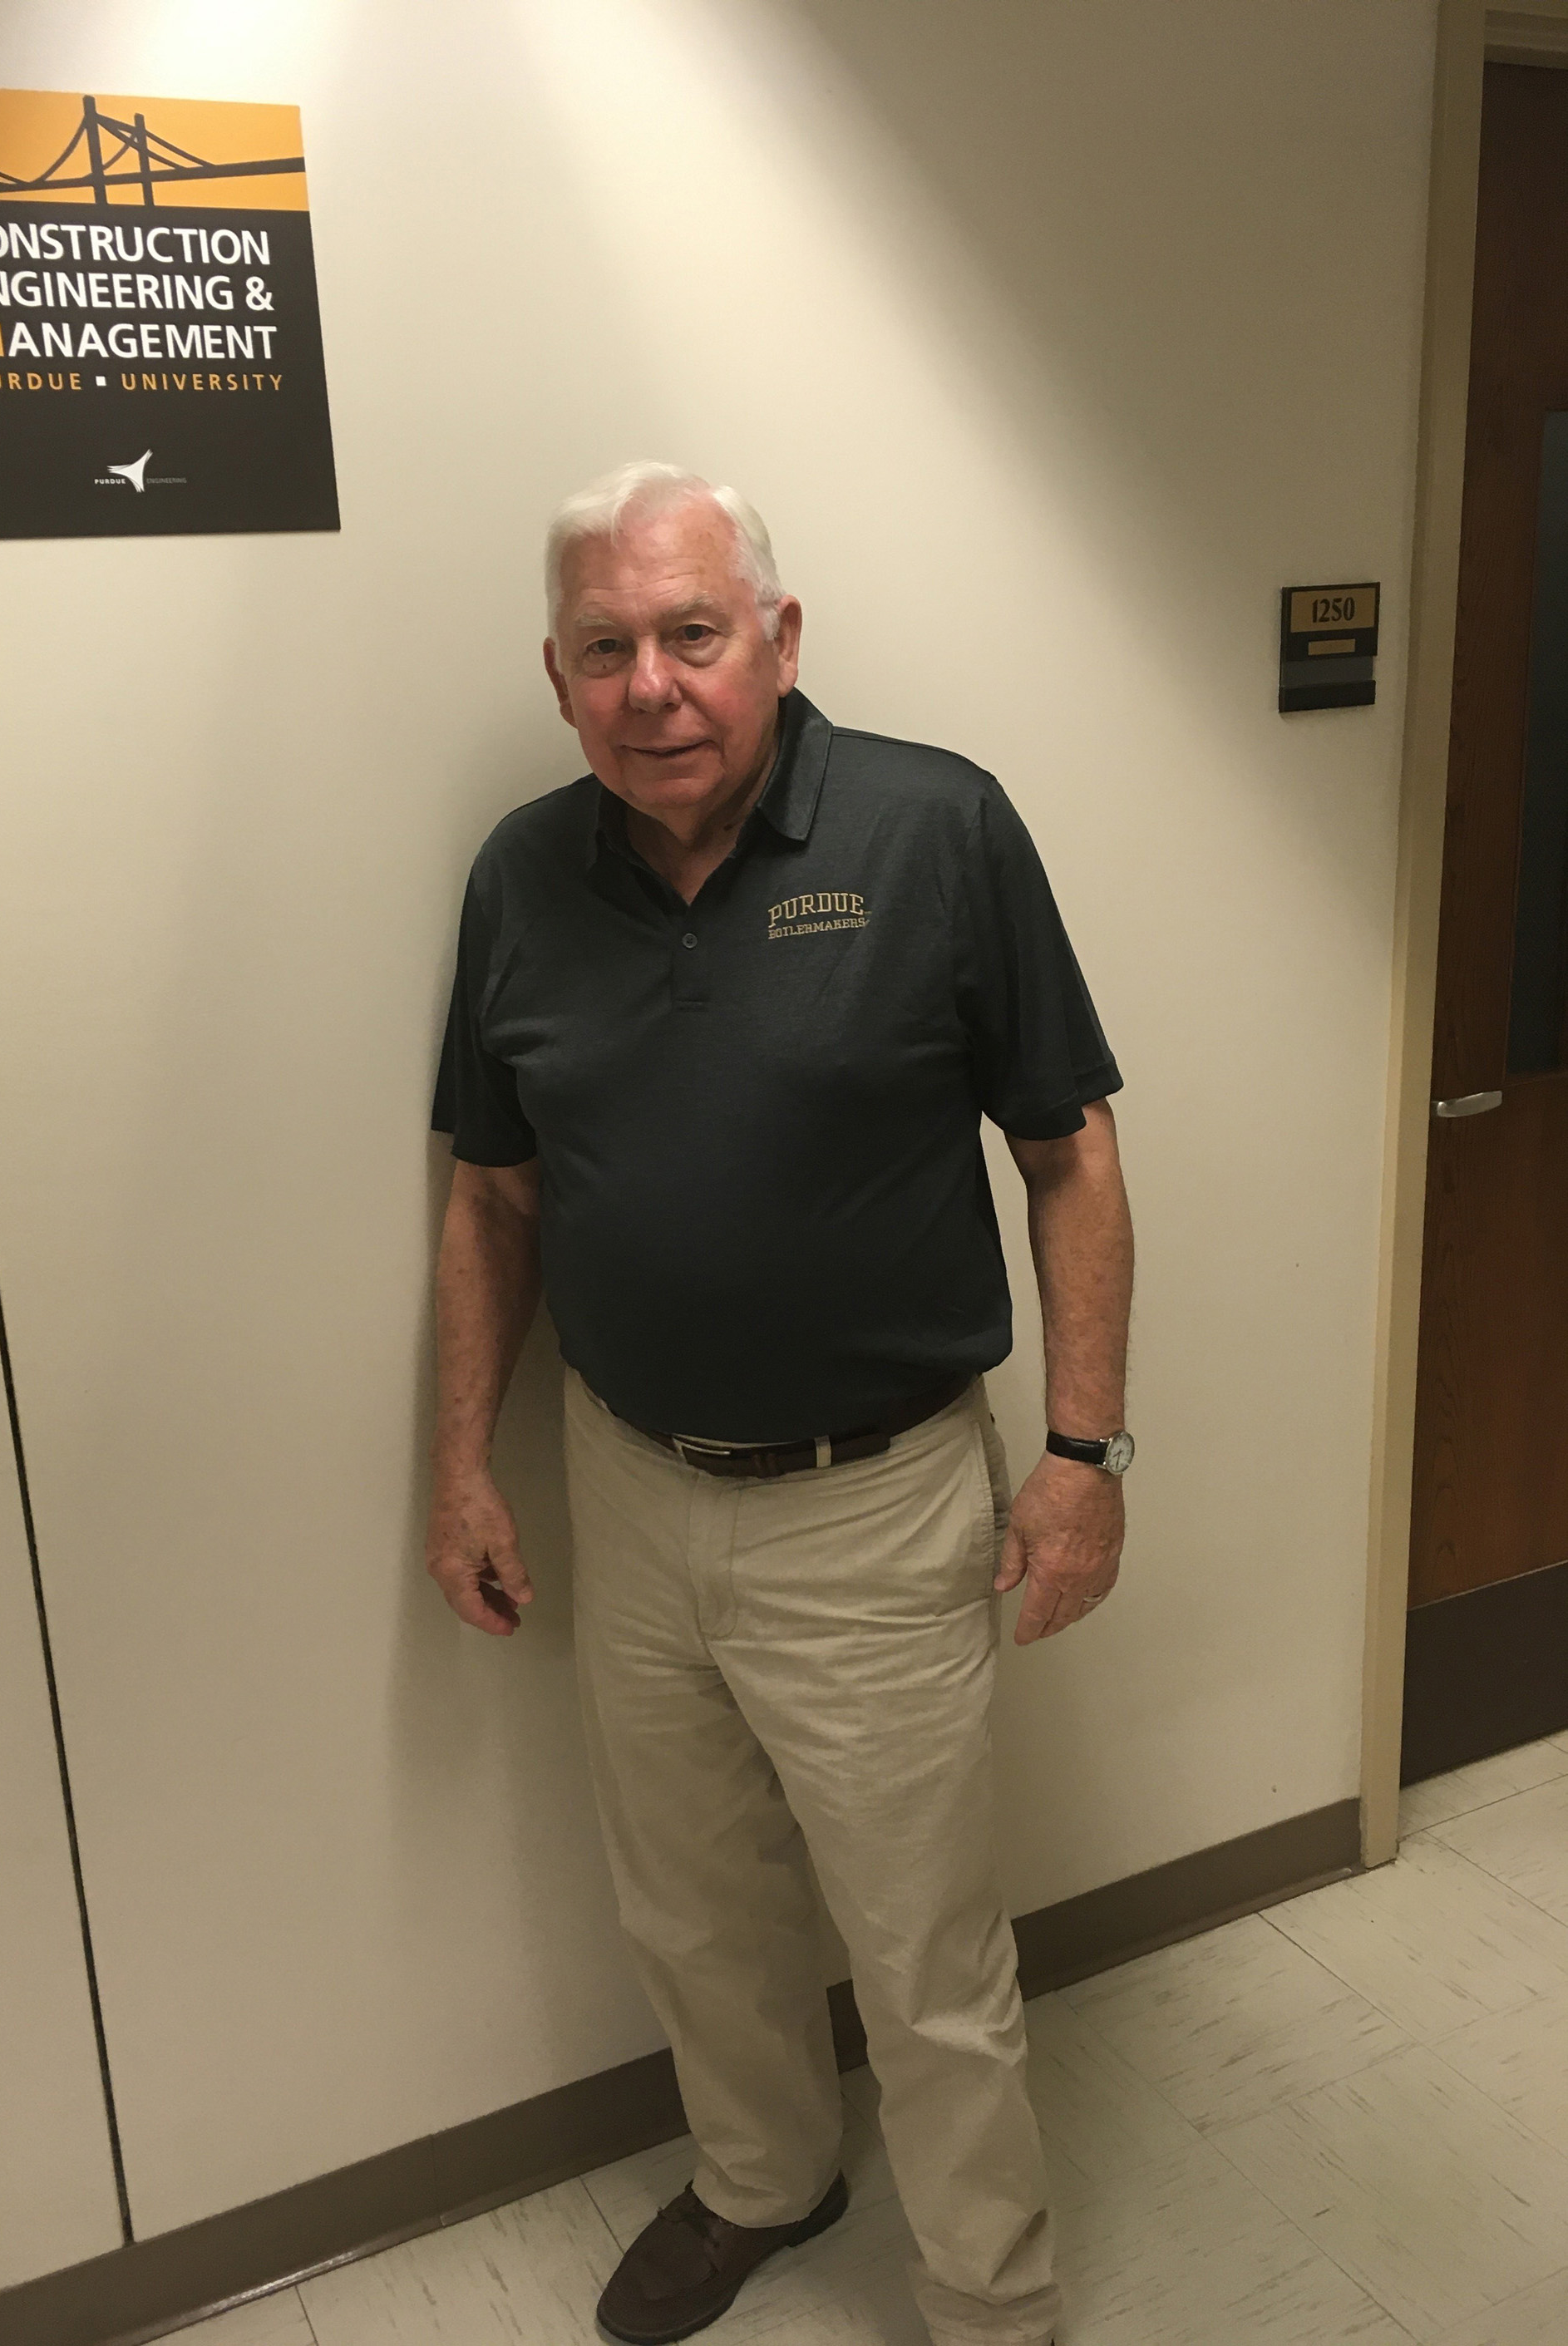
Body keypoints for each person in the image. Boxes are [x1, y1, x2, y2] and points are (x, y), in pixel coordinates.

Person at [427, 461, 1133, 2346]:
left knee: (923, 1956)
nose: (652, 685)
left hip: (875, 1506)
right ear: (558, 675)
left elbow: (1068, 1153)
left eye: (692, 633)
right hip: (626, 1480)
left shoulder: (936, 827)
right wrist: (461, 1466)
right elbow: (493, 1197)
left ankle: (990, 2301)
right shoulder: (520, 876)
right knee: (691, 1906)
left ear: (778, 638)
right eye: (605, 649)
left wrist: (1081, 1456)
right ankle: (763, 2174)